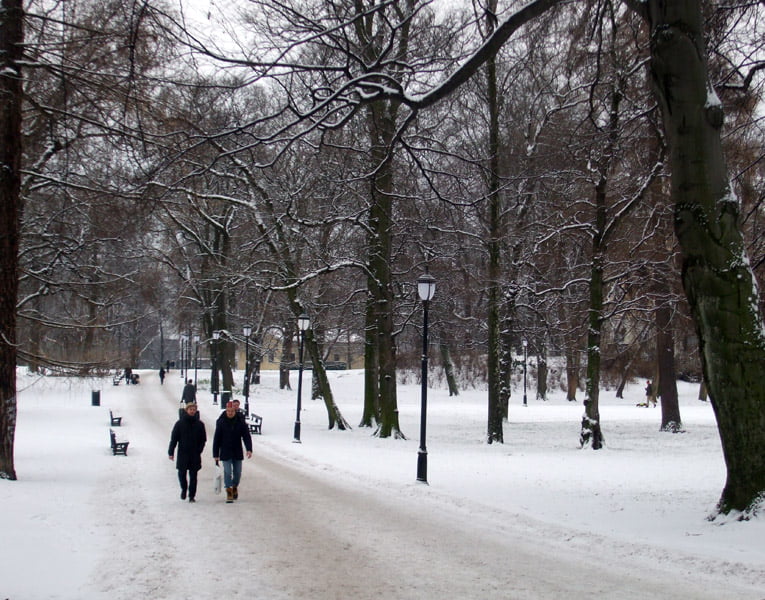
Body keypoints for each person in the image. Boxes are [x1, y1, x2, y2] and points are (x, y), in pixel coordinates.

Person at [213, 401, 253, 503]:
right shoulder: (221, 422)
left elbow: (246, 436)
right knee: (227, 472)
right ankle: (229, 491)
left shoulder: (240, 422)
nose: (230, 413)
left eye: (232, 411)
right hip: (225, 451)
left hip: (237, 451)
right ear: (226, 411)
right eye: (228, 411)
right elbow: (216, 439)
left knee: (237, 473)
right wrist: (215, 454)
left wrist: (249, 449)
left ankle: (235, 486)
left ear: (235, 411)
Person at [168, 402, 207, 502]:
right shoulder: (180, 423)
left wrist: (199, 449)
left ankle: (192, 495)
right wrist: (171, 452)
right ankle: (184, 489)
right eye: (190, 409)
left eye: (194, 409)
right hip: (183, 453)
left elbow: (203, 439)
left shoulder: (199, 424)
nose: (192, 411)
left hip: (195, 453)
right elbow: (174, 438)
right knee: (182, 473)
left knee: (193, 475)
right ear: (187, 410)